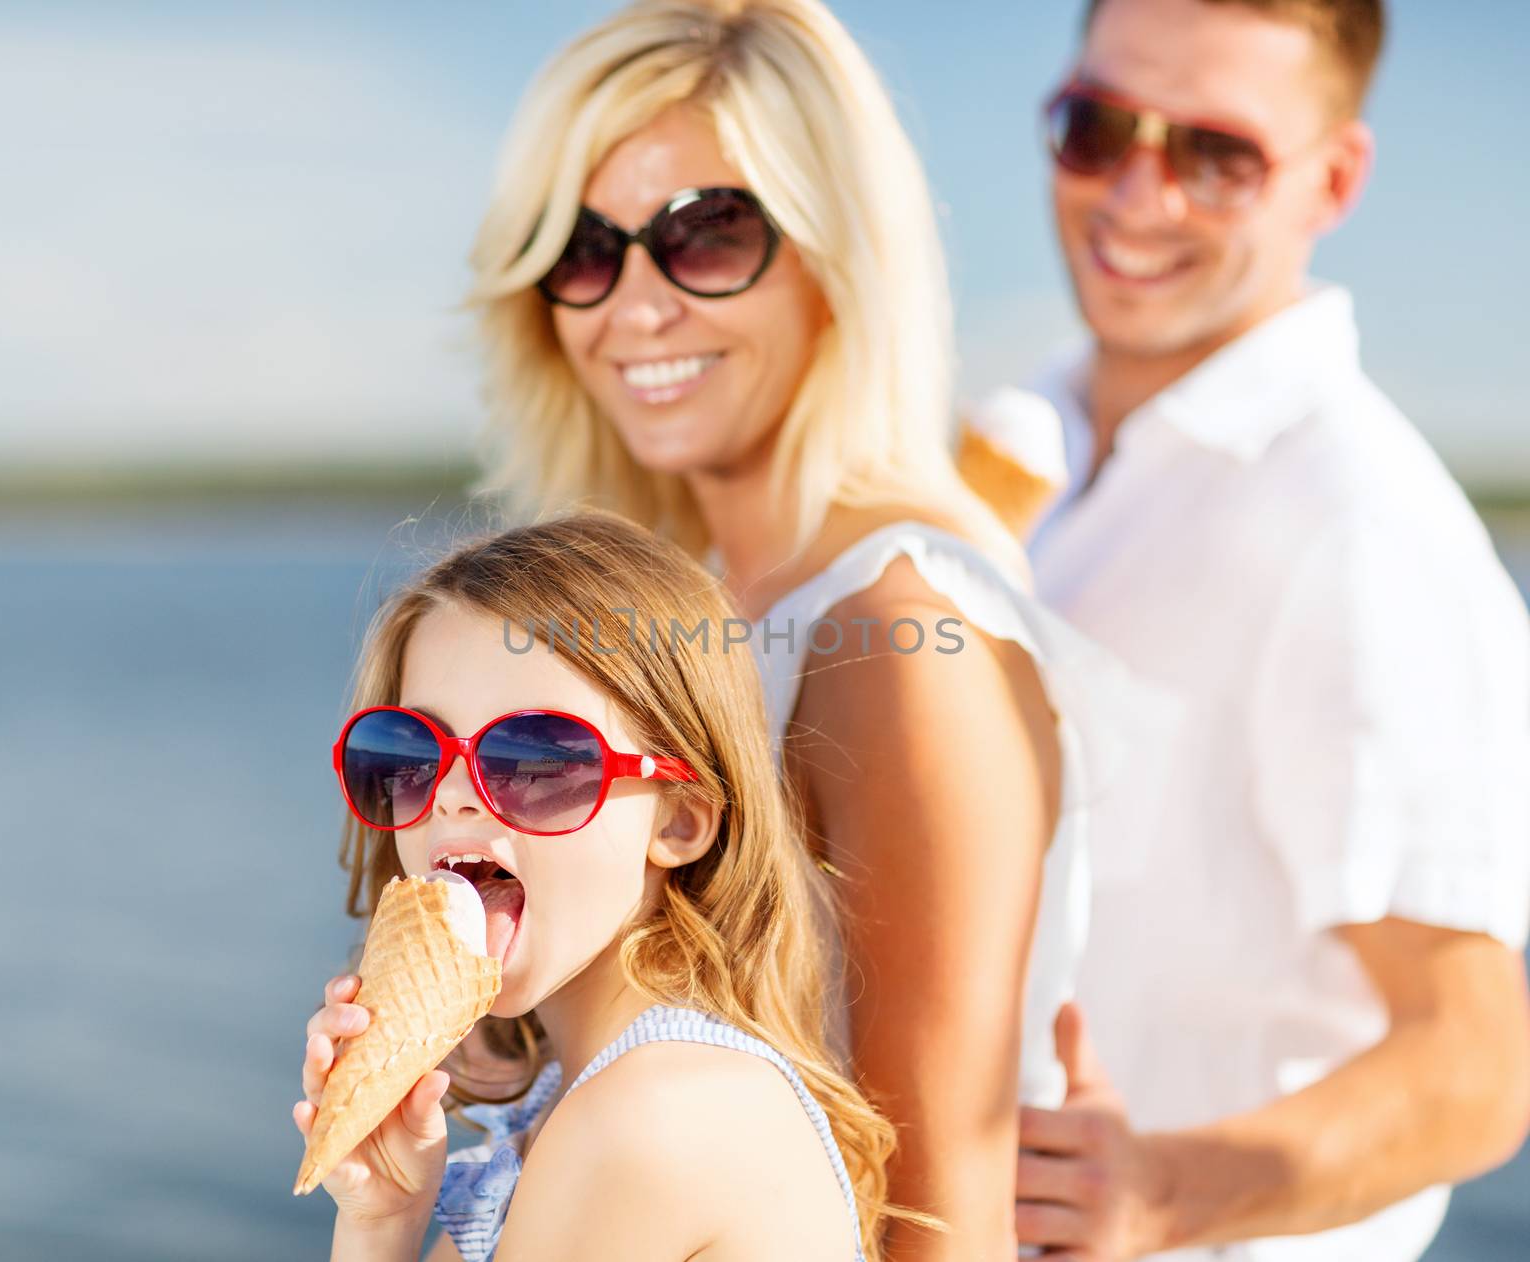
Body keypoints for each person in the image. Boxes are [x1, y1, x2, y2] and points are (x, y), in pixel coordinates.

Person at [463, 2, 1154, 1255]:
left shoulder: (902, 631)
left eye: (707, 235)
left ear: (839, 252)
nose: (635, 303)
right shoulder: (706, 597)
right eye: (582, 249)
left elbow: (935, 1214)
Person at [964, 1, 1530, 1257]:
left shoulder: (1359, 524)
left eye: (1215, 155)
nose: (1138, 195)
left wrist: (1161, 1189)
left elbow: (1474, 1061)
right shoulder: (1014, 446)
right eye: (1097, 128)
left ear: (1331, 178)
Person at [292, 512, 922, 1261]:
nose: (456, 793)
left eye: (534, 757)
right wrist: (382, 1218)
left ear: (681, 822)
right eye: (409, 751)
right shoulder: (569, 1110)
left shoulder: (650, 1117)